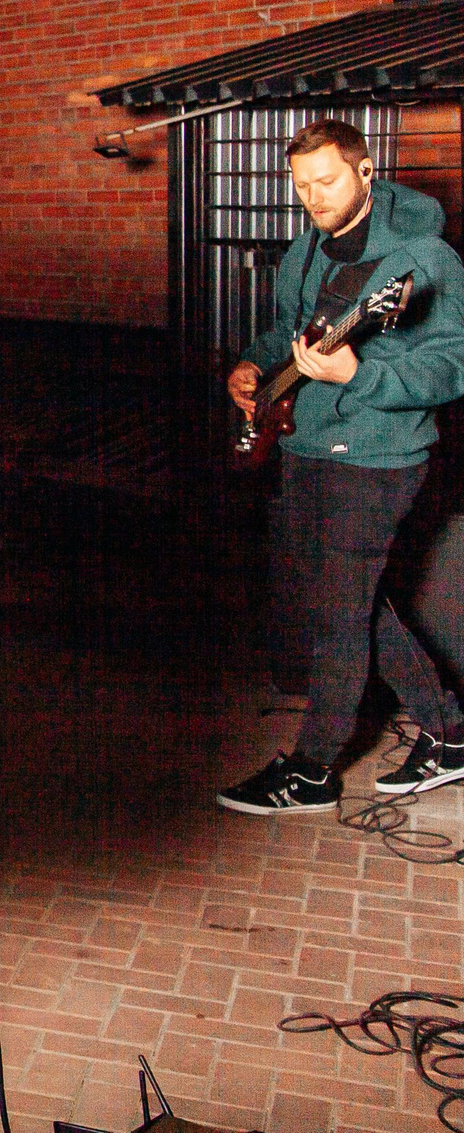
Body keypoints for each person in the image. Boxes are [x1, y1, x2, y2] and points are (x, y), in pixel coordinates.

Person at [219, 119, 464, 811]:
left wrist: (358, 373)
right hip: (303, 443)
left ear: (364, 173)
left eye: (326, 181)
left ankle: (313, 767)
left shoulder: (424, 259)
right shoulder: (306, 249)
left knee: (338, 607)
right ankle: (450, 731)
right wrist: (252, 364)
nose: (314, 198)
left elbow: (452, 364)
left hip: (379, 455)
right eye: (302, 187)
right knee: (347, 598)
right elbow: (285, 330)